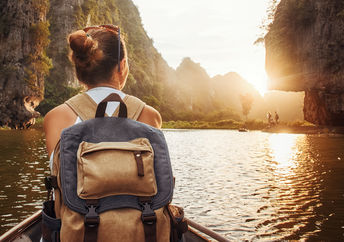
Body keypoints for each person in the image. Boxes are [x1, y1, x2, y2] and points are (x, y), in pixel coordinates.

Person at [44, 25, 162, 158]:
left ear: (78, 70)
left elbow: (59, 175)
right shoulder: (148, 116)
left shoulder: (56, 117)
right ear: (122, 66)